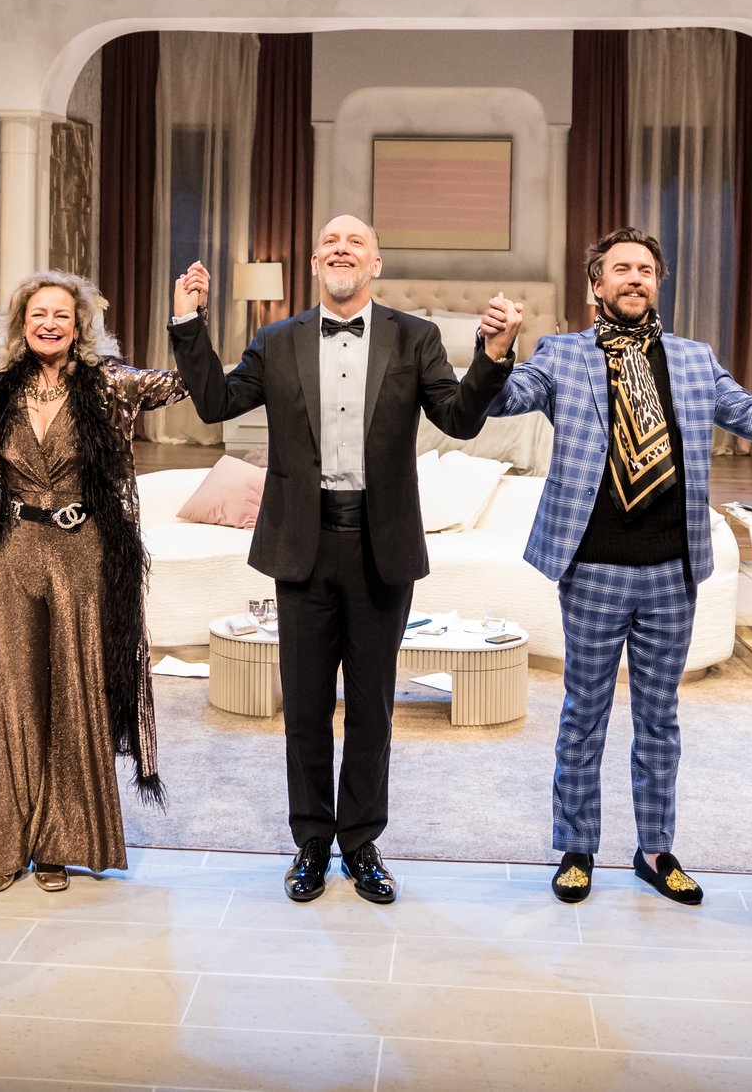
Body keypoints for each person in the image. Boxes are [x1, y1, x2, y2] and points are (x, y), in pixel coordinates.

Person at [171, 216, 520, 906]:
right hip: (301, 547)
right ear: (313, 262)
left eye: (354, 242)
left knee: (371, 707)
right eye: (330, 242)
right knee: (303, 708)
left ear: (375, 263)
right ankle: (310, 843)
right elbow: (215, 402)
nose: (340, 249)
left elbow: (459, 417)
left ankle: (361, 843)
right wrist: (188, 323)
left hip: (379, 545)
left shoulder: (413, 337)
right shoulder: (276, 340)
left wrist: (493, 353)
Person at [491, 226, 752, 907]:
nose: (634, 278)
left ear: (657, 281)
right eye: (620, 268)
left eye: (645, 268)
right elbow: (499, 401)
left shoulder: (696, 360)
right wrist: (496, 351)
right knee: (583, 713)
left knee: (660, 718)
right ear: (597, 286)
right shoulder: (561, 354)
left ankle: (655, 849)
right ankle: (577, 848)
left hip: (672, 568)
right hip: (594, 566)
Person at [0, 270, 185, 893]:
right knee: (8, 697)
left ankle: (58, 845)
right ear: (21, 323)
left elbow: (184, 385)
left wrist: (187, 318)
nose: (49, 324)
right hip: (13, 551)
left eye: (62, 316)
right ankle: (5, 846)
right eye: (38, 313)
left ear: (80, 328)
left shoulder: (109, 387)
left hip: (85, 552)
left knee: (75, 693)